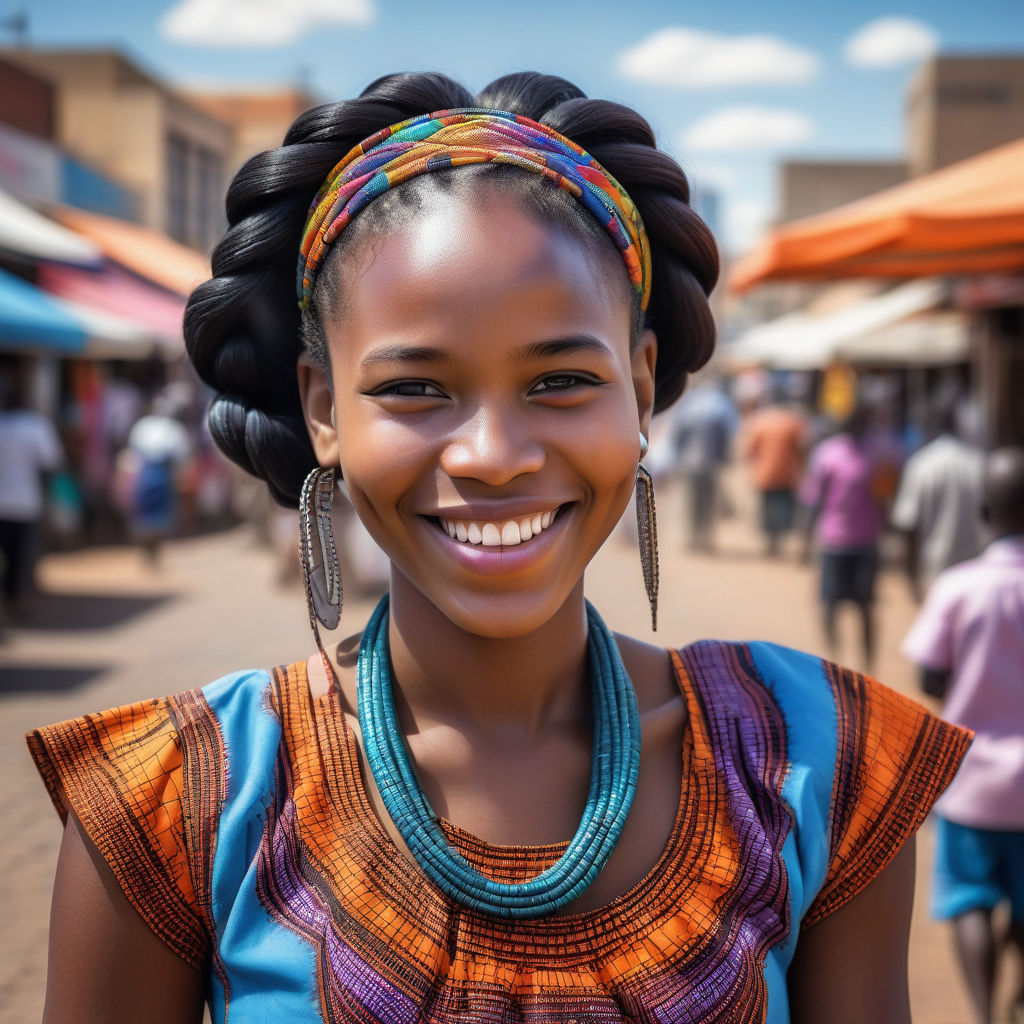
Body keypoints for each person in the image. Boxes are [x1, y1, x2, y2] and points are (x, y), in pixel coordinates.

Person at [28, 73, 970, 1024]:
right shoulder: (174, 806)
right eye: (415, 390)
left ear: (641, 388)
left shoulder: (816, 768)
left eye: (561, 379)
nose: (493, 457)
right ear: (323, 408)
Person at [902, 446, 1024, 1024]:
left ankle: (983, 1013)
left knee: (970, 897)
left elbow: (929, 670)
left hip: (973, 780)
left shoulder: (961, 585)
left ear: (983, 511)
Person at [800, 405, 884, 670]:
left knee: (866, 607)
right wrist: (805, 539)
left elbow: (884, 497)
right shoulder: (828, 453)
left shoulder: (876, 453)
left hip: (865, 541)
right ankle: (834, 660)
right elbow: (815, 498)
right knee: (829, 605)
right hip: (835, 541)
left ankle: (868, 666)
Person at [892, 399, 985, 602]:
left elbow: (908, 525)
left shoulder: (921, 464)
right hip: (976, 571)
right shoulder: (978, 462)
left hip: (935, 573)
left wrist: (911, 577)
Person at [0, 365, 63, 619]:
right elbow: (50, 465)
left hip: (16, 503)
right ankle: (14, 600)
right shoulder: (35, 426)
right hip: (24, 503)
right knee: (19, 559)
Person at [121, 388, 192, 564]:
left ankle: (152, 550)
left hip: (154, 474)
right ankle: (150, 549)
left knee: (151, 514)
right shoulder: (170, 429)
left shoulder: (146, 426)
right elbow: (182, 455)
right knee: (151, 514)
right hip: (151, 473)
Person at [667, 375, 737, 551]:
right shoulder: (719, 409)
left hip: (689, 464)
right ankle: (706, 540)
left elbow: (677, 437)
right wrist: (725, 459)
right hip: (711, 465)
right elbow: (725, 439)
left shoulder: (688, 408)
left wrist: (677, 458)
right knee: (709, 503)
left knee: (692, 503)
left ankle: (693, 539)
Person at [742, 388, 807, 556]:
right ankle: (777, 542)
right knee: (783, 510)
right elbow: (801, 449)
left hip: (765, 475)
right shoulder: (793, 421)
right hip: (786, 475)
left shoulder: (759, 421)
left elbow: (750, 450)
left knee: (767, 510)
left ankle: (771, 543)